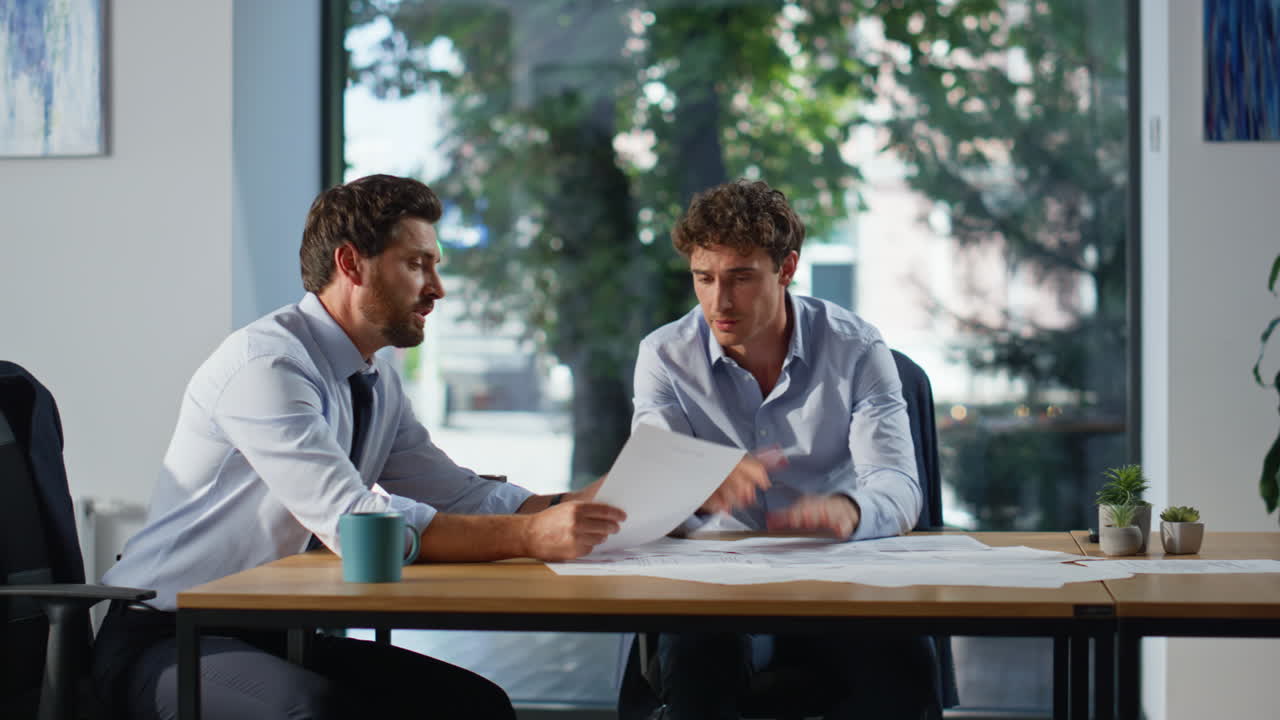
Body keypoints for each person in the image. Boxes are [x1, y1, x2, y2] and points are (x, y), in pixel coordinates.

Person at [92, 174, 625, 720]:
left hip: (276, 634)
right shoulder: (268, 364)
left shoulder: (375, 377)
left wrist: (576, 505)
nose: (437, 288)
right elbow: (355, 523)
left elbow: (456, 492)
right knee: (318, 713)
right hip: (169, 638)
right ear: (352, 265)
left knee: (475, 706)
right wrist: (532, 535)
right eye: (417, 264)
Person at [627, 179, 940, 719]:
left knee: (899, 659)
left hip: (838, 573)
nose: (718, 302)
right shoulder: (664, 356)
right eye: (704, 279)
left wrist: (849, 510)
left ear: (787, 268)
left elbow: (899, 485)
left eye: (741, 278)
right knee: (700, 654)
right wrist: (696, 490)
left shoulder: (858, 348)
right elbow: (652, 493)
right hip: (718, 577)